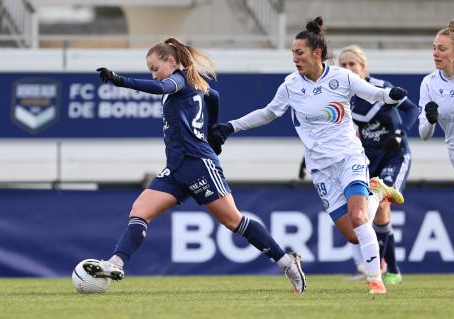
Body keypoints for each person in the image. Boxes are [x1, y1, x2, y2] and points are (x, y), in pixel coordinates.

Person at [82, 37, 307, 294]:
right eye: (150, 72)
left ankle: (287, 263)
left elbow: (162, 88)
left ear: (171, 61)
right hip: (176, 167)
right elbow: (214, 96)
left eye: (155, 68)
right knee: (140, 210)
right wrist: (212, 129)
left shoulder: (178, 80)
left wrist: (120, 81)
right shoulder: (192, 84)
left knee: (233, 221)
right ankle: (115, 263)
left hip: (198, 163)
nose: (154, 76)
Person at [210, 17, 407, 294]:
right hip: (321, 169)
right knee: (352, 236)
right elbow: (268, 113)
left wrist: (390, 95)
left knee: (360, 218)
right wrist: (230, 127)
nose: (294, 58)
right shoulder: (291, 85)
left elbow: (374, 93)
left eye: (299, 52)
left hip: (349, 157)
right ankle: (376, 192)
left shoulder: (341, 77)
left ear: (317, 53)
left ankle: (376, 280)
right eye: (292, 53)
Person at [339, 45, 419, 285]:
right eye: (343, 65)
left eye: (352, 64)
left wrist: (401, 131)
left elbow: (412, 108)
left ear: (364, 67)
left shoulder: (381, 87)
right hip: (367, 160)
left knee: (382, 204)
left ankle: (387, 269)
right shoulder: (343, 94)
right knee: (375, 213)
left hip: (394, 155)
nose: (348, 69)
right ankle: (387, 268)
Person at [419, 19, 454, 213]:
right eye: (434, 48)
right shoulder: (429, 83)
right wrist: (430, 119)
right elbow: (424, 135)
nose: (435, 53)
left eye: (442, 48)